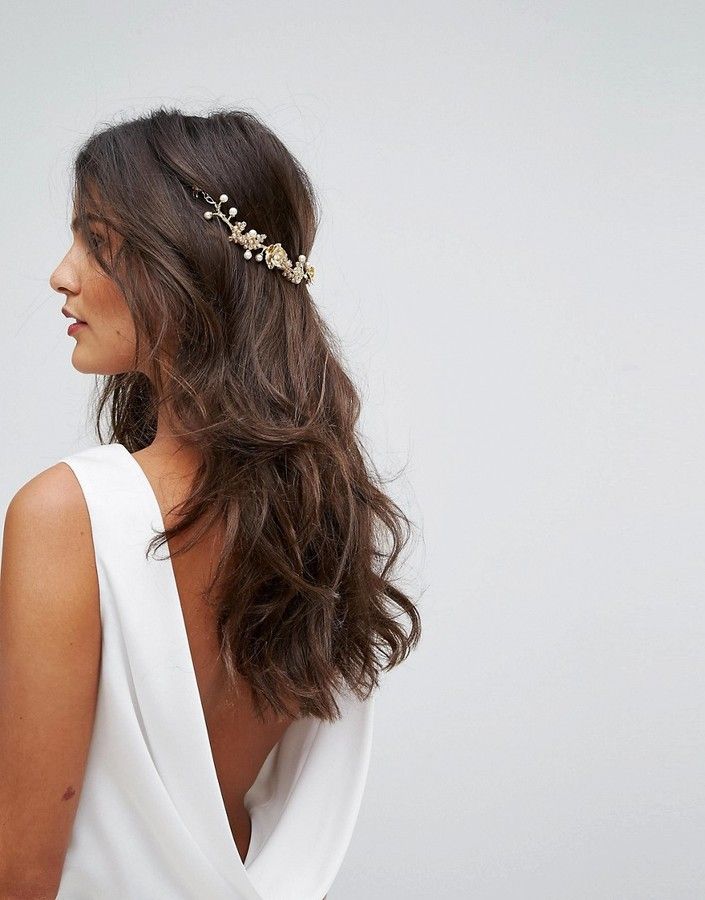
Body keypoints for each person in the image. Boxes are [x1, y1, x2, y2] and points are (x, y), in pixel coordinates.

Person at [0, 106, 421, 899]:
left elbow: (21, 873)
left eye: (97, 241)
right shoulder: (321, 521)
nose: (63, 274)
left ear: (183, 261)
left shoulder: (68, 514)